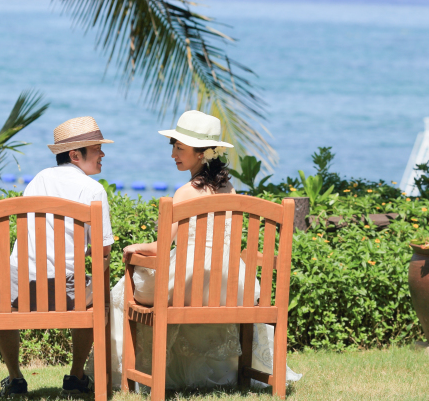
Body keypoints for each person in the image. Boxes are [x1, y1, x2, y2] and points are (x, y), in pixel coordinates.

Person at [107, 110, 301, 391]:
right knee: (198, 279)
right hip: (231, 286)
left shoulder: (185, 193)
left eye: (180, 148)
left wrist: (133, 248)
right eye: (174, 146)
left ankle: (132, 375)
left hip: (190, 282)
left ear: (201, 154)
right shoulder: (230, 189)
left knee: (120, 291)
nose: (173, 153)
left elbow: (162, 249)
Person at [0, 116, 115, 397]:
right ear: (75, 155)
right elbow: (102, 252)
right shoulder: (92, 189)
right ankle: (75, 377)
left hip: (19, 293)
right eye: (97, 148)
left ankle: (15, 380)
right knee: (94, 296)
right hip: (69, 296)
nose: (103, 154)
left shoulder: (38, 180)